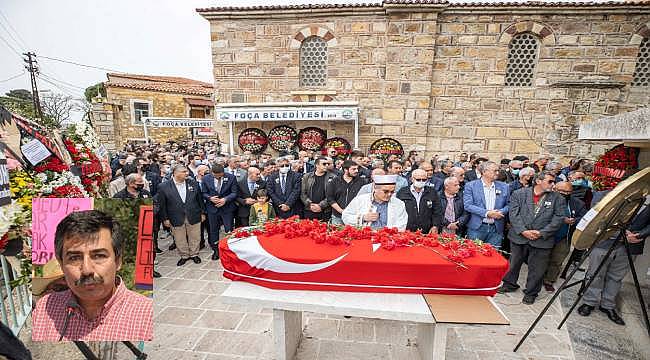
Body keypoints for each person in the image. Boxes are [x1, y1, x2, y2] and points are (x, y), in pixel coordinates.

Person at [31, 210, 153, 341]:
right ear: (61, 264)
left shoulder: (147, 315)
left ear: (118, 261)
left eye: (99, 256)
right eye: (74, 258)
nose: (87, 270)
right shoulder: (45, 309)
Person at [578, 195, 649, 325]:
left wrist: (641, 234)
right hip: (603, 243)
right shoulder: (609, 194)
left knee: (616, 277)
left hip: (630, 246)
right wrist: (620, 234)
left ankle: (607, 305)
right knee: (595, 274)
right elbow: (596, 218)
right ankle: (589, 302)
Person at [499, 171, 566, 304]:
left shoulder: (558, 198)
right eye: (550, 181)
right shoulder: (519, 194)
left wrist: (542, 232)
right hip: (519, 237)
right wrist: (523, 231)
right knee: (513, 263)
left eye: (554, 182)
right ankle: (509, 284)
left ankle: (531, 292)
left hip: (542, 239)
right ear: (538, 181)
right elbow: (514, 214)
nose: (553, 185)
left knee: (538, 268)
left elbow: (558, 218)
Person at [542, 181, 587, 292]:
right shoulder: (545, 199)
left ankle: (549, 280)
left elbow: (584, 217)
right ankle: (537, 278)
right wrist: (561, 219)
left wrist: (574, 220)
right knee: (541, 258)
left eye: (568, 192)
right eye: (562, 191)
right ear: (555, 189)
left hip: (564, 237)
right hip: (546, 234)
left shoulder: (577, 203)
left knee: (557, 260)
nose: (565, 194)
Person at [159, 165, 206, 266]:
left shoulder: (193, 183)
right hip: (175, 216)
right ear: (175, 173)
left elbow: (200, 200)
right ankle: (184, 255)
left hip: (193, 214)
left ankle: (194, 254)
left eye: (186, 171)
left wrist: (202, 213)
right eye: (184, 171)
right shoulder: (163, 186)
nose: (187, 173)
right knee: (179, 237)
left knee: (195, 236)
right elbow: (162, 205)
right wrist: (165, 219)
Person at [463, 161, 510, 248]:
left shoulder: (504, 186)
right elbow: (468, 205)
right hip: (477, 228)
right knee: (474, 254)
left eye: (498, 170)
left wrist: (500, 212)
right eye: (495, 171)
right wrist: (487, 213)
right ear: (484, 172)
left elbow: (509, 204)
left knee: (493, 256)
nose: (497, 173)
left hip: (496, 229)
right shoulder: (471, 186)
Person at [342, 174, 408, 230]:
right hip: (364, 239)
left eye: (392, 192)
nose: (389, 194)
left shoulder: (399, 204)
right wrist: (363, 218)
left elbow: (402, 224)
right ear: (375, 188)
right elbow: (345, 216)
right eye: (386, 191)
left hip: (388, 240)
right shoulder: (360, 200)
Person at [202, 164, 238, 260]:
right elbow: (203, 192)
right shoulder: (206, 178)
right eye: (215, 176)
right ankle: (216, 250)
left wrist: (225, 199)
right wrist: (210, 198)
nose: (218, 177)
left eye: (220, 176)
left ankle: (229, 249)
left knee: (229, 229)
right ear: (211, 172)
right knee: (213, 230)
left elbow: (234, 192)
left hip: (227, 208)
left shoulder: (231, 177)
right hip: (212, 209)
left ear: (223, 172)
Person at [396, 169, 443, 234]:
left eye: (424, 180)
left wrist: (435, 225)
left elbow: (437, 211)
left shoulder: (432, 192)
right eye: (418, 179)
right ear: (412, 179)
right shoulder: (402, 192)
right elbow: (397, 211)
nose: (421, 181)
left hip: (427, 231)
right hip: (407, 231)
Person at [327, 160, 366, 225]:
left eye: (357, 169)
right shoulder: (335, 181)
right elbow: (330, 198)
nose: (356, 171)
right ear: (346, 170)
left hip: (354, 217)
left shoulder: (361, 181)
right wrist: (341, 211)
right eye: (353, 169)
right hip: (337, 216)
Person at [301, 157, 337, 222]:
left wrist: (321, 206)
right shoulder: (307, 176)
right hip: (309, 210)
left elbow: (333, 194)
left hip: (325, 211)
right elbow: (303, 193)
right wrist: (310, 204)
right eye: (324, 164)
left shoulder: (333, 177)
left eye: (328, 164)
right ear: (317, 165)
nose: (326, 166)